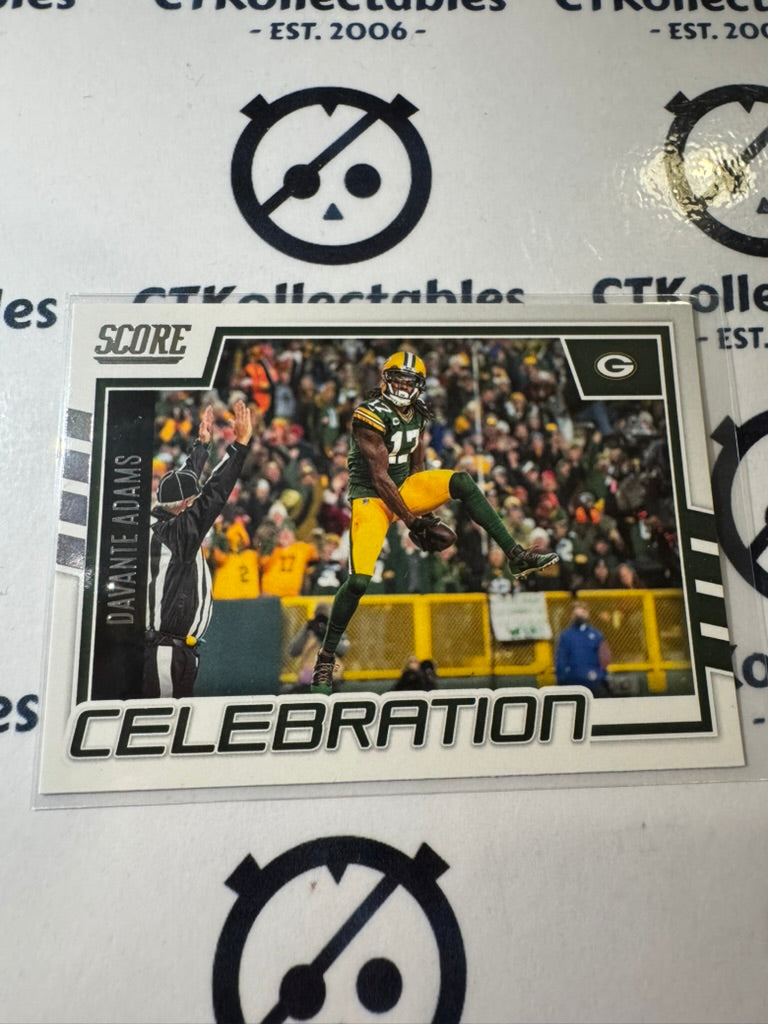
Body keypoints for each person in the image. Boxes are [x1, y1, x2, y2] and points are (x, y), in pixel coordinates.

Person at [310, 351, 559, 693]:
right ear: (385, 380)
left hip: (403, 489)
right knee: (358, 582)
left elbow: (416, 468)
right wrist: (413, 521)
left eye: (409, 381)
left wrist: (424, 509)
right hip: (371, 498)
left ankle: (516, 555)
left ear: (419, 385)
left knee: (462, 482)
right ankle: (325, 657)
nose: (403, 386)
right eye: (398, 379)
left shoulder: (418, 413)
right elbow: (380, 479)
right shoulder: (369, 414)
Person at [143, 400, 254, 699]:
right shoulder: (177, 534)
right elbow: (213, 494)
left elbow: (184, 485)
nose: (195, 503)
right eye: (191, 502)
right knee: (161, 721)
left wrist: (202, 446)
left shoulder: (162, 520)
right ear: (185, 506)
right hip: (166, 651)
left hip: (171, 649)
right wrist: (239, 446)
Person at [554, 602, 613, 698]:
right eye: (577, 614)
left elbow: (605, 658)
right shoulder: (566, 635)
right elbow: (561, 660)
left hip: (589, 680)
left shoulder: (596, 635)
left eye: (582, 613)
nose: (580, 616)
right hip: (578, 681)